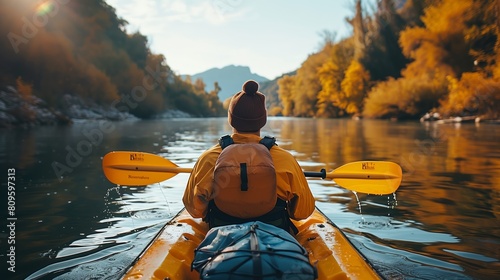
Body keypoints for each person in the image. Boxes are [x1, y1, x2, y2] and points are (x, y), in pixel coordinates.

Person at [182, 80, 315, 232]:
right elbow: (303, 212)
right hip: (273, 237)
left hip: (221, 237)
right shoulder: (285, 159)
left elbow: (195, 210)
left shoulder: (208, 158)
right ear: (262, 120)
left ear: (231, 119)